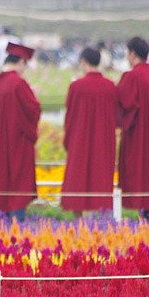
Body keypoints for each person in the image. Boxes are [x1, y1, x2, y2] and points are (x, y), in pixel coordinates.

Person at [0, 41, 40, 221]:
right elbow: (32, 112)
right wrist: (34, 95)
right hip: (15, 146)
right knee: (15, 188)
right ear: (21, 62)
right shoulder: (19, 84)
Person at [61, 47, 117, 217]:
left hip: (80, 141)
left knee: (78, 181)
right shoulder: (110, 87)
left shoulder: (76, 86)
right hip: (103, 142)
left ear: (83, 62)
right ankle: (99, 225)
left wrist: (68, 140)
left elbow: (69, 117)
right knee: (99, 179)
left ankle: (79, 223)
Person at [117, 37, 149, 218]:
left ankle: (139, 215)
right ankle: (148, 214)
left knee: (136, 173)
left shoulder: (131, 77)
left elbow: (123, 103)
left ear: (132, 54)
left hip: (138, 134)